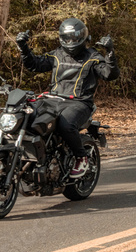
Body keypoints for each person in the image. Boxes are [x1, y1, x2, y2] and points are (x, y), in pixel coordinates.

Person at [16, 18, 119, 178]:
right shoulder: (57, 54)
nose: (71, 41)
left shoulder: (92, 56)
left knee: (65, 125)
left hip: (79, 103)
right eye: (67, 38)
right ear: (62, 38)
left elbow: (109, 74)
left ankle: (81, 157)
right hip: (52, 100)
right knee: (26, 115)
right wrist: (23, 47)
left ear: (82, 38)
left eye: (74, 38)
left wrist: (110, 52)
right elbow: (34, 64)